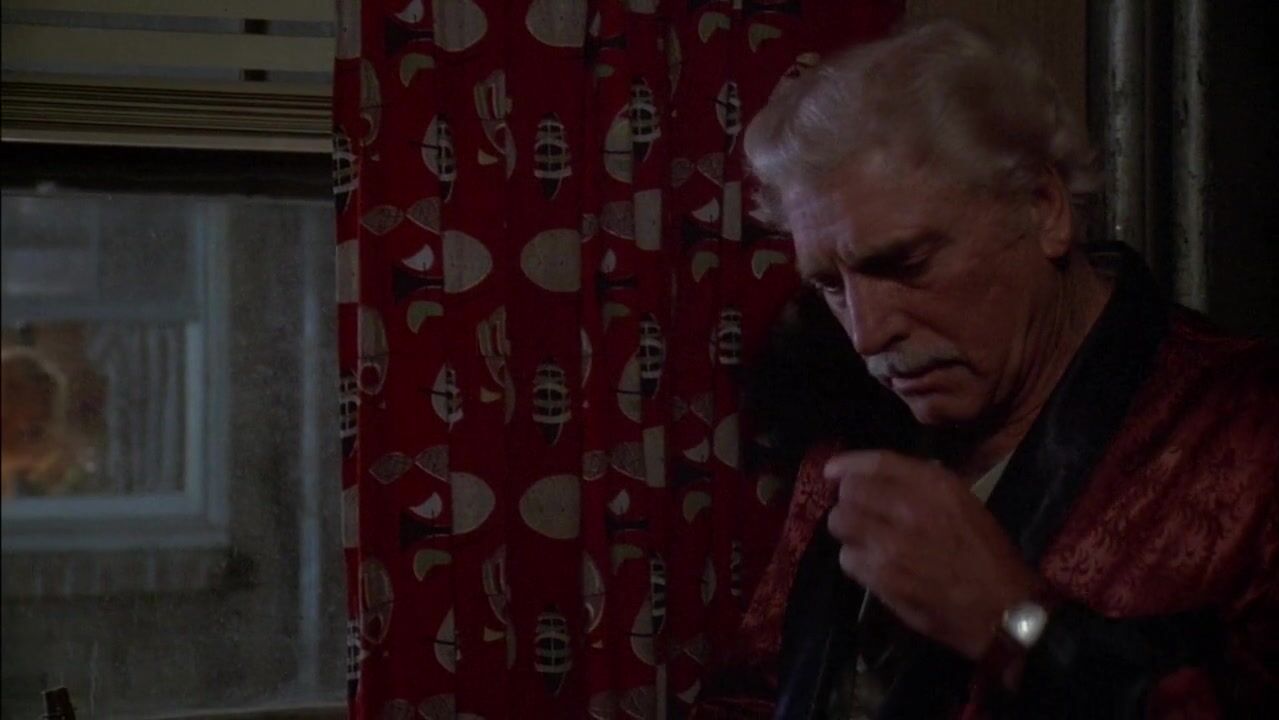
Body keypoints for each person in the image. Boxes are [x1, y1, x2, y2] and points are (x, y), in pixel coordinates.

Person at [694, 19, 1278, 720]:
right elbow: (755, 692)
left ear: (1043, 209)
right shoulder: (852, 437)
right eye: (828, 285)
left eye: (906, 264)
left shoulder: (1249, 432)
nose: (868, 332)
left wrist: (1015, 624)